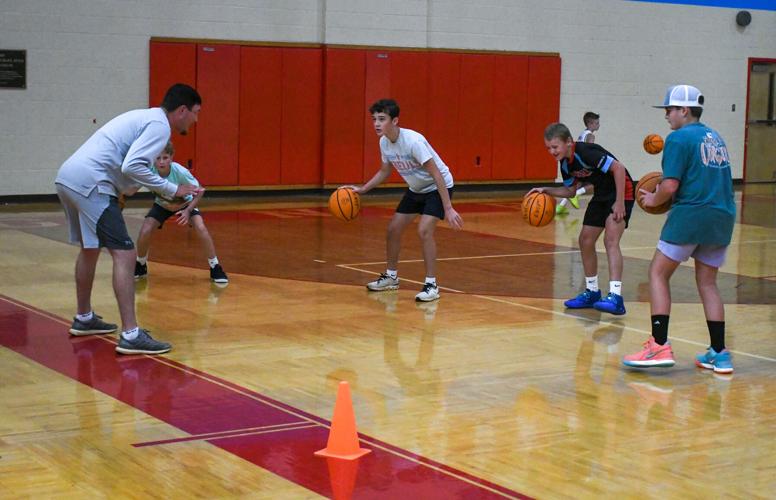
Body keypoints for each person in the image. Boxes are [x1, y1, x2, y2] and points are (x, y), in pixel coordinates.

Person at [55, 83, 203, 355]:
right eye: (195, 113)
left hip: (69, 178)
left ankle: (84, 318)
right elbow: (132, 166)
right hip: (91, 183)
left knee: (90, 248)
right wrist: (172, 188)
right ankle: (132, 334)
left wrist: (128, 191)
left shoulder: (146, 118)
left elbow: (131, 171)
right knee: (125, 254)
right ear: (182, 110)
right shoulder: (160, 127)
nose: (196, 120)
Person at [623, 84, 736, 373]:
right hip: (722, 215)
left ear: (684, 110)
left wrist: (652, 198)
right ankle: (720, 353)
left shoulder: (678, 138)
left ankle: (659, 345)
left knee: (658, 273)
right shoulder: (716, 138)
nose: (667, 116)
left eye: (669, 110)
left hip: (691, 214)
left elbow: (670, 185)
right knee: (708, 283)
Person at [351, 98, 463, 302]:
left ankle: (431, 285)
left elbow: (437, 174)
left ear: (395, 121)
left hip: (438, 187)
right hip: (416, 189)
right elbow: (385, 171)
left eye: (382, 119)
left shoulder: (413, 141)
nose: (376, 123)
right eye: (374, 119)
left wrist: (448, 208)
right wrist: (363, 189)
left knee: (424, 230)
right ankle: (391, 277)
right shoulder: (384, 142)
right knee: (393, 229)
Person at [528, 122, 635, 315]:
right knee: (585, 240)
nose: (551, 151)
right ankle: (592, 291)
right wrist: (546, 190)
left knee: (611, 239)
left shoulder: (585, 152)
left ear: (568, 142)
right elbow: (570, 191)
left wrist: (619, 202)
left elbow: (619, 168)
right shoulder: (565, 163)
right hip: (602, 193)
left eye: (555, 146)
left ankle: (616, 297)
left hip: (622, 190)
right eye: (548, 148)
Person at [133, 141, 228, 284]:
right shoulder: (149, 171)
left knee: (201, 228)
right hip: (162, 205)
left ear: (171, 158)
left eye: (165, 157)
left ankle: (215, 267)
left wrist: (188, 211)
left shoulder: (180, 172)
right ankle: (140, 264)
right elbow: (132, 182)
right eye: (158, 158)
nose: (161, 162)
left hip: (185, 204)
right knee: (145, 230)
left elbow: (201, 191)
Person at [556, 112, 599, 215]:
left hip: (575, 162)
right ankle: (577, 194)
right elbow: (590, 151)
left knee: (576, 185)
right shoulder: (590, 136)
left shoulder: (583, 133)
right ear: (590, 123)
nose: (598, 125)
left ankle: (561, 207)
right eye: (597, 123)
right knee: (596, 183)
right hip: (584, 163)